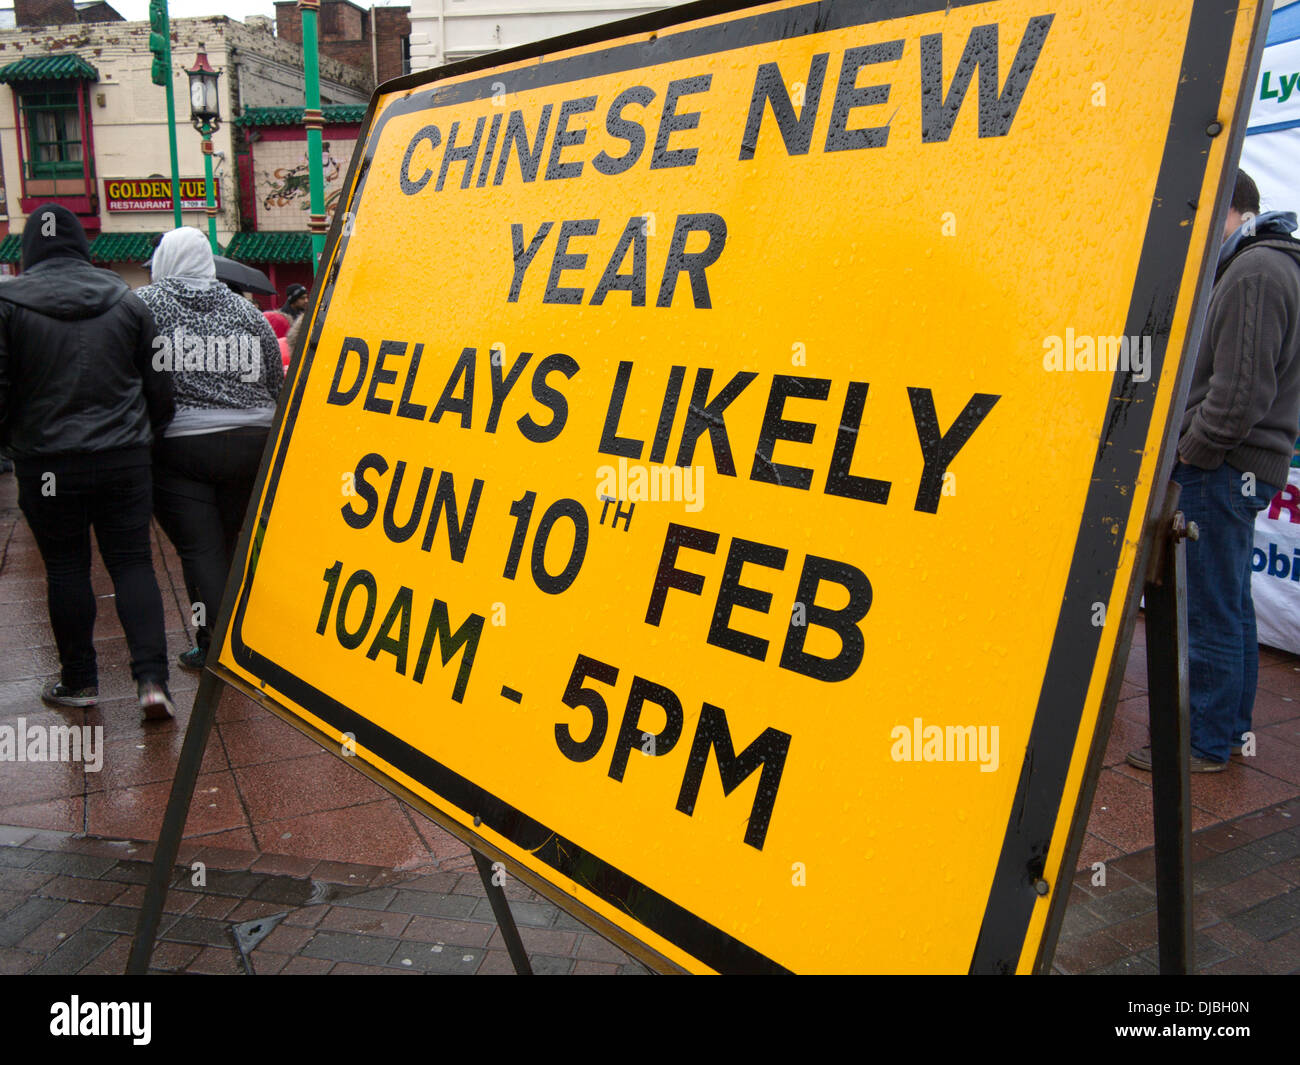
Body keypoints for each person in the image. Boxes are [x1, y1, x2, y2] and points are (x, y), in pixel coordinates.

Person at [1128, 171, 1300, 772]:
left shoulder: (1254, 271)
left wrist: (1190, 454)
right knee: (1226, 604)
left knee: (1204, 610)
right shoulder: (1268, 265)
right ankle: (1224, 733)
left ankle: (1197, 743)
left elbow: (1236, 398)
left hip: (1222, 467)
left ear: (1229, 207)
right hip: (1238, 467)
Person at [0, 204, 178, 719]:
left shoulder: (8, 305)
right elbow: (158, 387)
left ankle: (80, 681)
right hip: (123, 457)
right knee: (132, 562)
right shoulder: (127, 303)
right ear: (82, 244)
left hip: (48, 464)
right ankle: (152, 680)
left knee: (66, 566)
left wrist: (12, 443)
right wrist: (147, 438)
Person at [137, 228, 285, 671]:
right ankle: (235, 634)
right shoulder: (248, 311)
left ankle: (217, 645)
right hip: (250, 442)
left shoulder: (145, 305)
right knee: (228, 542)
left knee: (199, 550)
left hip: (181, 446)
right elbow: (275, 381)